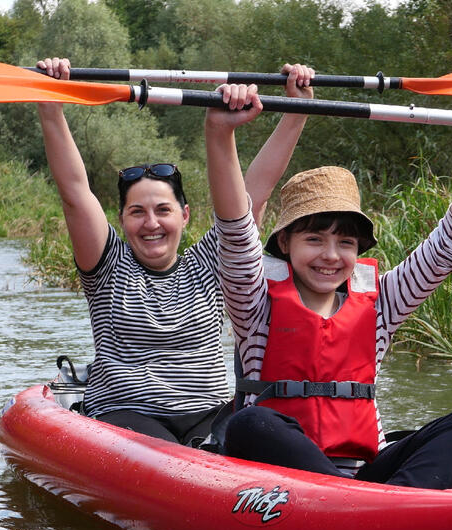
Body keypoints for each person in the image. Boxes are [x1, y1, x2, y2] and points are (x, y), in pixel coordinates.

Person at [205, 83, 452, 490]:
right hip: (275, 475)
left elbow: (449, 246)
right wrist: (220, 132)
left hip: (363, 475)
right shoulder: (255, 302)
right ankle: (366, 504)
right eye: (314, 239)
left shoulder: (383, 303)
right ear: (285, 243)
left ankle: (396, 505)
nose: (331, 255)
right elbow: (235, 230)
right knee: (252, 421)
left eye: (345, 242)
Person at [34, 57, 314, 444]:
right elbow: (75, 194)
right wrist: (52, 104)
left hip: (211, 413)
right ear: (121, 219)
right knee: (163, 448)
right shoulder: (107, 265)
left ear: (184, 216)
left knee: (261, 432)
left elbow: (256, 190)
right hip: (127, 414)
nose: (151, 223)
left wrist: (295, 110)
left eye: (162, 210)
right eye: (137, 212)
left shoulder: (211, 261)